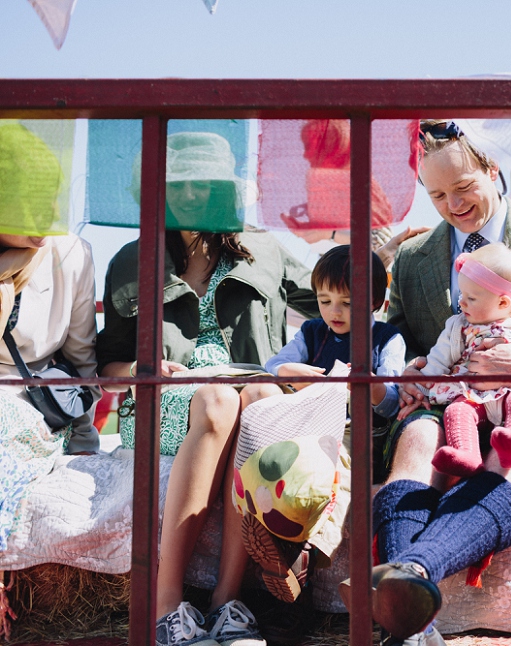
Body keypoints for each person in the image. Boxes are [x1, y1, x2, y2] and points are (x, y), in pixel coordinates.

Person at [97, 132, 319, 646]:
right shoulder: (131, 259)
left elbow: (336, 299)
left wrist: (385, 261)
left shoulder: (264, 249)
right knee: (219, 398)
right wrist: (142, 369)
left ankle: (226, 603)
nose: (191, 194)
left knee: (262, 398)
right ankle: (166, 604)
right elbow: (108, 364)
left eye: (204, 183)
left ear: (225, 190)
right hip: (165, 401)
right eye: (178, 184)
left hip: (245, 395)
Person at [347, 120, 511, 646]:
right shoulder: (413, 257)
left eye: (463, 188)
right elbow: (397, 340)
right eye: (437, 195)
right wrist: (408, 374)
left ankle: (410, 579)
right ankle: (415, 622)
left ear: (493, 169)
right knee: (420, 437)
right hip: (448, 399)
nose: (453, 205)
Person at [233, 244, 405, 604]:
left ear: (375, 301)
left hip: (359, 433)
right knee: (289, 463)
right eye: (324, 301)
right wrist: (289, 371)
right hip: (309, 425)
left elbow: (392, 401)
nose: (334, 311)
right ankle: (283, 550)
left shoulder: (387, 338)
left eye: (347, 302)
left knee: (338, 476)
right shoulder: (312, 332)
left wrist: (369, 385)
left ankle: (304, 553)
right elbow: (274, 364)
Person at [0, 123, 100, 552]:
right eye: (31, 204)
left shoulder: (69, 253)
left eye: (53, 200)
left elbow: (81, 356)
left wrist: (85, 440)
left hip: (33, 410)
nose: (48, 217)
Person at [398, 243, 511, 478]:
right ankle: (466, 455)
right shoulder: (458, 326)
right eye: (461, 295)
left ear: (503, 303)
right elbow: (437, 361)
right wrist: (419, 392)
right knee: (457, 410)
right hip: (476, 394)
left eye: (471, 298)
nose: (461, 303)